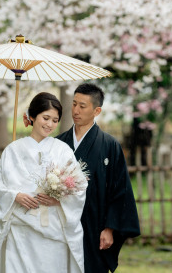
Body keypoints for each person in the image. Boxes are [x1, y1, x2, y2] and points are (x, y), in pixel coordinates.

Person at [0, 92, 86, 273]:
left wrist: (58, 200)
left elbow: (79, 188)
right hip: (20, 230)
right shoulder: (13, 150)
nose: (50, 124)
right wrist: (15, 195)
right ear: (32, 116)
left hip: (53, 229)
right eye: (45, 118)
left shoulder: (62, 150)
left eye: (55, 120)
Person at [57, 83, 140, 273]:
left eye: (82, 106)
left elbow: (120, 190)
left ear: (97, 111)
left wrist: (110, 228)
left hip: (95, 224)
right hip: (62, 223)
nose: (76, 110)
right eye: (74, 104)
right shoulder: (59, 142)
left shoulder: (109, 145)